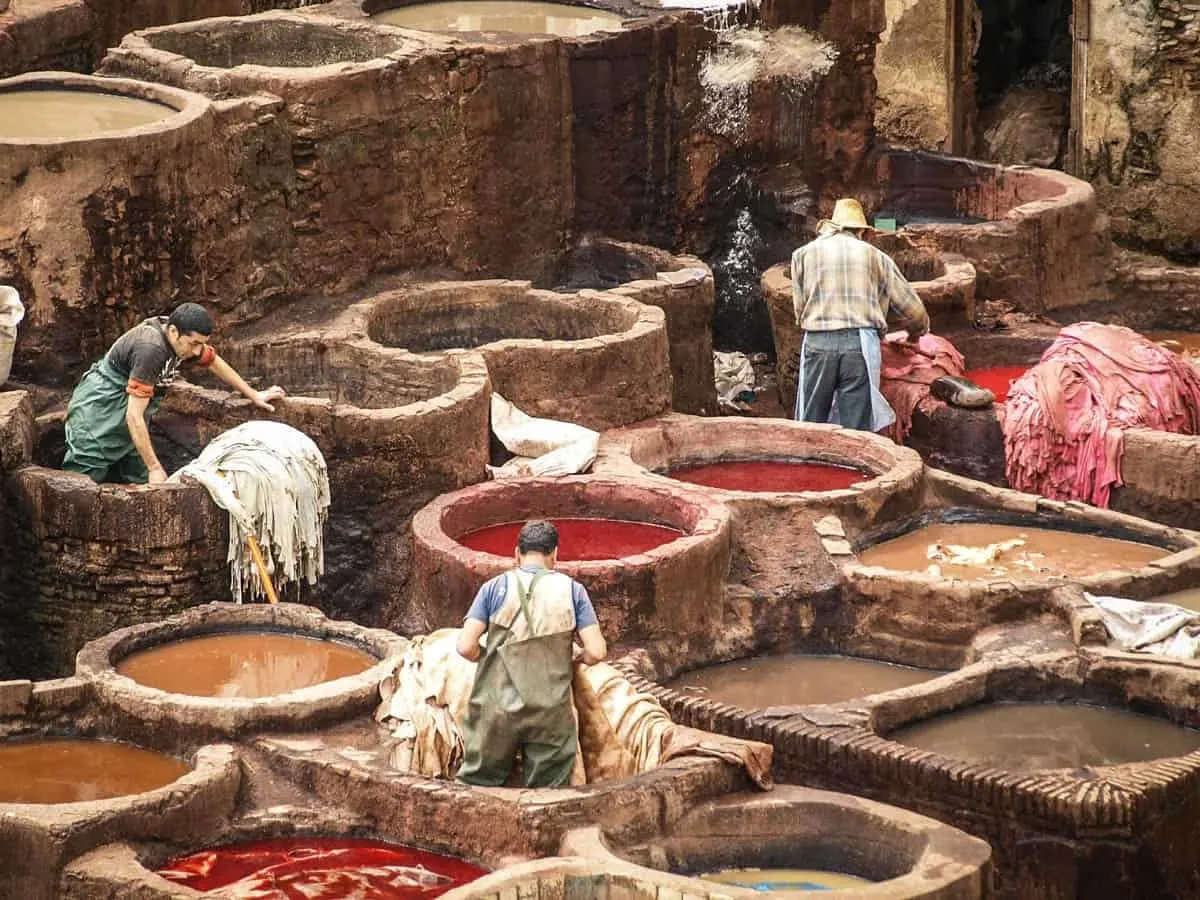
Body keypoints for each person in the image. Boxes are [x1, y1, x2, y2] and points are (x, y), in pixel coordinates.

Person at [455, 519, 607, 788]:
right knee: (547, 796)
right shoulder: (573, 591)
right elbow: (596, 651)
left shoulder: (494, 588)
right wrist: (575, 658)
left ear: (516, 554)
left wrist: (491, 658)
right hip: (550, 712)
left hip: (495, 710)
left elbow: (465, 646)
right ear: (555, 555)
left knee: (477, 788)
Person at [63, 302, 285, 485]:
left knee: (141, 479)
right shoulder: (152, 349)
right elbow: (133, 416)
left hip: (128, 413)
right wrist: (155, 468)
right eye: (194, 344)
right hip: (99, 409)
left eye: (202, 344)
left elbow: (213, 361)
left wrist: (253, 394)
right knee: (84, 480)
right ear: (173, 331)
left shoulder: (179, 337)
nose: (197, 351)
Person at [791, 198, 930, 432]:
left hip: (817, 342)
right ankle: (852, 468)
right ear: (863, 232)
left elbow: (799, 311)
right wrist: (916, 335)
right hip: (860, 345)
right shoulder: (876, 257)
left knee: (810, 426)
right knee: (856, 432)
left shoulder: (802, 255)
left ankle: (806, 464)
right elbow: (914, 310)